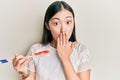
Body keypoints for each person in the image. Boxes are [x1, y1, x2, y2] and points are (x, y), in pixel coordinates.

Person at [12, 1, 91, 80]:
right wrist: (24, 73)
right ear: (47, 26)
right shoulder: (35, 50)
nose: (63, 30)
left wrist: (65, 58)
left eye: (68, 22)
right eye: (56, 23)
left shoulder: (81, 50)